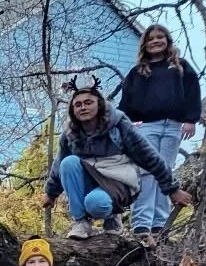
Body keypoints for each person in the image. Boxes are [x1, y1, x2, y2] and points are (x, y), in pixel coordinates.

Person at [42, 79, 191, 242]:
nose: (83, 107)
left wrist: (172, 189)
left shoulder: (118, 127)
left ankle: (113, 215)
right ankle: (81, 222)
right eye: (78, 105)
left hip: (118, 182)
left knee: (96, 203)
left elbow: (148, 157)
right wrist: (51, 193)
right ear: (73, 110)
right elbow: (59, 164)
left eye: (88, 102)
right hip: (91, 178)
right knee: (68, 163)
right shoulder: (71, 135)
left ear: (99, 104)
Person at [119, 25, 202, 241]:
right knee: (146, 172)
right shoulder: (138, 72)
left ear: (167, 40)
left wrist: (190, 119)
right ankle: (141, 224)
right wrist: (126, 124)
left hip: (173, 126)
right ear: (145, 44)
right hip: (147, 126)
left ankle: (160, 224)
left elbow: (193, 93)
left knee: (165, 172)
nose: (156, 41)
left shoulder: (180, 67)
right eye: (151, 38)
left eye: (160, 37)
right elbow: (125, 102)